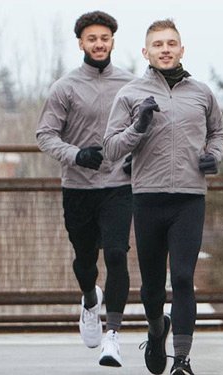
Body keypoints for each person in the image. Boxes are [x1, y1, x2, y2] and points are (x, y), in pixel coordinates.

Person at [101, 19, 223, 375]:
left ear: (182, 50)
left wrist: (213, 156)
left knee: (184, 278)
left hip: (189, 198)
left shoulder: (202, 93)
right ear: (146, 52)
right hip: (147, 198)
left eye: (172, 43)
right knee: (153, 287)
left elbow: (218, 133)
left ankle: (183, 360)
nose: (166, 49)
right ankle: (157, 330)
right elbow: (111, 148)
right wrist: (138, 126)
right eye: (158, 44)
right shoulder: (129, 94)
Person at [35, 10, 137, 368]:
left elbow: (147, 131)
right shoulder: (65, 87)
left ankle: (113, 336)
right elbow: (45, 136)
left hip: (118, 185)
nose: (98, 44)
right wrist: (77, 155)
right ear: (80, 43)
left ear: (113, 41)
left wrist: (132, 160)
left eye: (104, 38)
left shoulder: (130, 84)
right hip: (78, 186)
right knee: (84, 262)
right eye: (92, 39)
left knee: (116, 254)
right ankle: (89, 300)